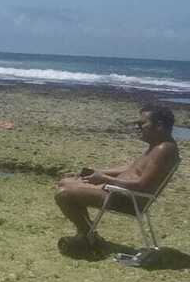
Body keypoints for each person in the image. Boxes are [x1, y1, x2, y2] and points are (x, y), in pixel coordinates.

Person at [55, 105, 179, 254]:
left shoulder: (163, 149)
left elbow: (141, 184)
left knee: (63, 194)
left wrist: (104, 179)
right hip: (120, 192)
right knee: (65, 181)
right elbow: (131, 169)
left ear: (159, 125)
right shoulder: (158, 146)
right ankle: (88, 234)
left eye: (142, 124)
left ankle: (87, 235)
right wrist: (99, 173)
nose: (138, 127)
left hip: (127, 199)